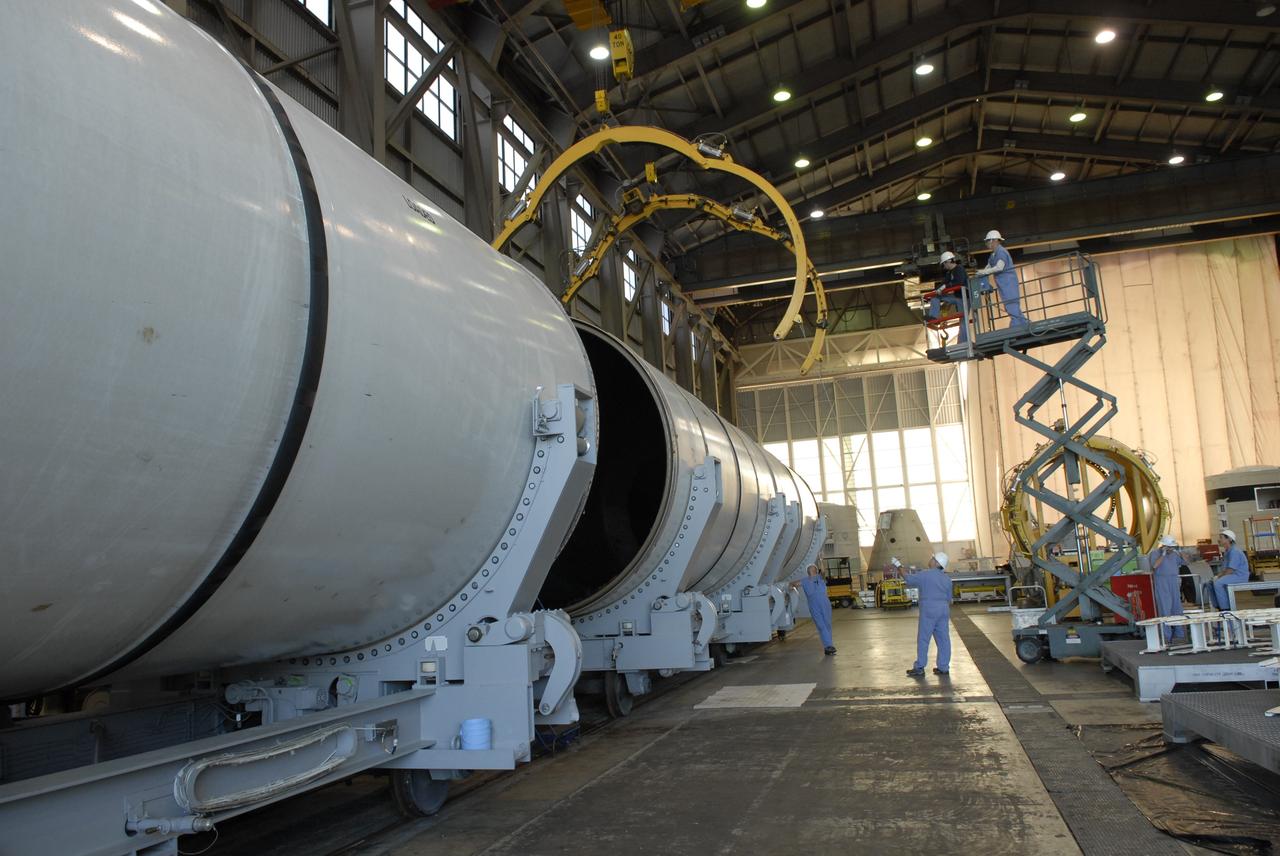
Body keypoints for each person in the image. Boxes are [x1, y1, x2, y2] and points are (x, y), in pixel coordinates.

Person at [902, 552, 953, 677]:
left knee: (924, 639)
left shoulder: (926, 575)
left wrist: (898, 566)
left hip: (929, 610)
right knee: (943, 640)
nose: (930, 559)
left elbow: (908, 579)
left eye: (932, 558)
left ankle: (920, 667)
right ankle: (943, 667)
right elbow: (949, 598)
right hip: (944, 610)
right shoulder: (947, 578)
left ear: (936, 562)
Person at [974, 229, 1026, 327]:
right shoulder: (993, 255)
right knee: (1010, 305)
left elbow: (999, 267)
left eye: (987, 241)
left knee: (1011, 304)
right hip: (1003, 283)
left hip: (1008, 282)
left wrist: (983, 272)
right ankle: (1025, 324)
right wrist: (979, 274)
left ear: (993, 240)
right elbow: (989, 266)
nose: (986, 244)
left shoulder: (1001, 252)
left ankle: (1015, 327)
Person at [925, 251, 972, 344]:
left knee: (963, 321)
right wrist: (937, 290)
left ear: (948, 262)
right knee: (935, 297)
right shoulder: (949, 273)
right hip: (957, 296)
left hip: (964, 298)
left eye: (944, 264)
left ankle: (963, 343)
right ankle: (933, 317)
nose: (944, 266)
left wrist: (946, 286)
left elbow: (960, 282)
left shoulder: (959, 269)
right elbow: (944, 283)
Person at [1149, 535, 1188, 642]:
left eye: (1172, 547)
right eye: (1169, 547)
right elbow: (1155, 566)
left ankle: (1179, 634)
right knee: (1165, 608)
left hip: (1174, 582)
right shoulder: (1155, 554)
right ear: (1164, 546)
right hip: (1162, 583)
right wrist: (1163, 554)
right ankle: (1167, 635)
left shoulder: (1175, 554)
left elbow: (1186, 561)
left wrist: (1179, 551)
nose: (1171, 549)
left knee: (1177, 608)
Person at [793, 564, 836, 655]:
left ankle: (828, 646)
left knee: (827, 624)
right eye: (809, 568)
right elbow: (794, 584)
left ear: (816, 570)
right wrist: (789, 585)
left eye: (812, 567)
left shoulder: (820, 577)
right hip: (813, 605)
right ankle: (829, 646)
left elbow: (824, 572)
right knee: (821, 625)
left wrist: (821, 560)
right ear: (807, 571)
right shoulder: (804, 581)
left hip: (824, 602)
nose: (810, 568)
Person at [1206, 529, 1250, 610]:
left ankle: (1225, 608)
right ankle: (1218, 605)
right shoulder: (1227, 551)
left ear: (1229, 539)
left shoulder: (1234, 551)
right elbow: (1225, 569)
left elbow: (1230, 570)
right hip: (1232, 575)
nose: (1219, 540)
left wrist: (1218, 577)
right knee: (1210, 583)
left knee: (1218, 583)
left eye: (1221, 538)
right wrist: (1217, 576)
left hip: (1239, 576)